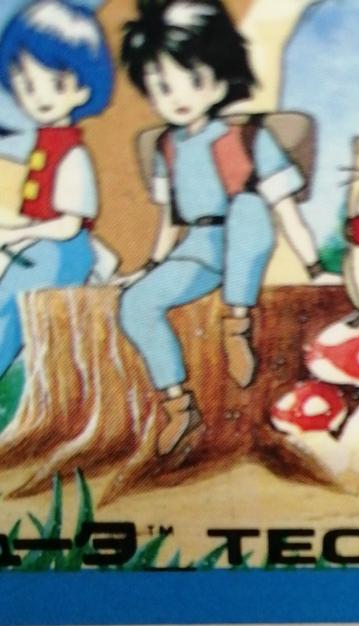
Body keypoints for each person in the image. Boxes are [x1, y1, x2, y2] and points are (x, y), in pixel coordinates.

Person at [119, 0, 322, 464]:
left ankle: (237, 323)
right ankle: (178, 406)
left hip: (244, 245)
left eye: (192, 80)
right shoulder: (166, 147)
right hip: (196, 251)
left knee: (248, 207)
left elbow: (286, 211)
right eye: (161, 86)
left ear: (219, 76)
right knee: (135, 304)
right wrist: (152, 266)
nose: (178, 96)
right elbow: (170, 219)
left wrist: (314, 266)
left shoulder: (248, 138)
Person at [0, 0, 113, 380]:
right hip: (40, 246)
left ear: (82, 89)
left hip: (64, 252)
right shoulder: (44, 144)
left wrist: (16, 234)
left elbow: (68, 226)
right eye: (27, 85)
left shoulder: (73, 154)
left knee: (12, 303)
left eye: (56, 84)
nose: (39, 97)